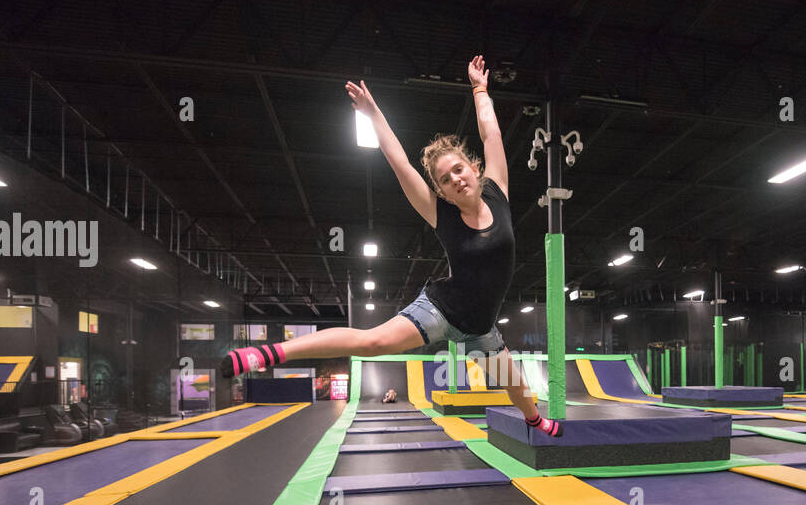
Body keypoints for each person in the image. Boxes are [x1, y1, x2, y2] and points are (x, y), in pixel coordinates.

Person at [221, 55, 561, 437]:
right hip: (441, 311)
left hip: (482, 329)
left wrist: (480, 90)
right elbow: (399, 160)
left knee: (512, 385)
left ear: (475, 168)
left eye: (459, 170)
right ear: (441, 191)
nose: (456, 179)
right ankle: (268, 353)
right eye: (446, 179)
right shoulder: (441, 214)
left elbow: (491, 135)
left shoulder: (497, 191)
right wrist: (372, 113)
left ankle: (536, 420)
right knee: (373, 341)